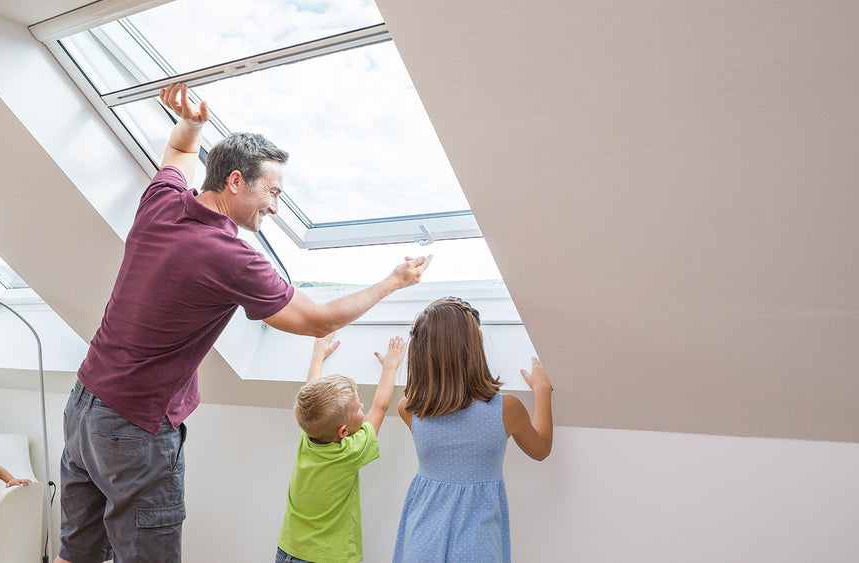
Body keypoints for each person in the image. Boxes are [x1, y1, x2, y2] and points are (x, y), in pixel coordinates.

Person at [58, 83, 432, 563]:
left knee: (77, 553)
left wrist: (191, 125)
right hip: (133, 428)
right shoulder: (229, 256)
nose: (275, 206)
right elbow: (317, 320)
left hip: (84, 407)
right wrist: (392, 282)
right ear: (236, 181)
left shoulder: (162, 202)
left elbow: (177, 151)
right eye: (272, 192)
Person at [392, 297, 553, 562]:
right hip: (477, 544)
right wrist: (542, 391)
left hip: (420, 539)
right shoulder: (506, 409)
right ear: (474, 348)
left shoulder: (409, 408)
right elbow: (541, 449)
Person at [276, 332, 405, 563]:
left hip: (288, 550)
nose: (362, 407)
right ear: (343, 432)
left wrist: (318, 356)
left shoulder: (308, 435)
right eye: (358, 409)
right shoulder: (349, 452)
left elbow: (311, 392)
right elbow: (380, 407)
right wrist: (391, 365)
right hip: (328, 558)